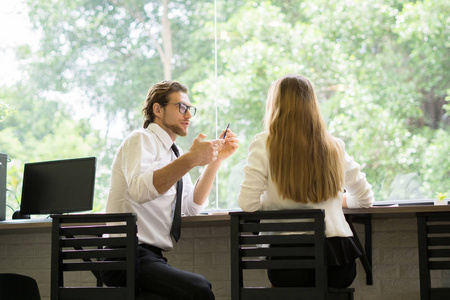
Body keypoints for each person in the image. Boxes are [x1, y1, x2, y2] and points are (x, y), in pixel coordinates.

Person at [102, 80, 239, 299]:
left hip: (149, 257)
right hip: (124, 257)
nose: (188, 115)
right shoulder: (141, 140)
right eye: (181, 107)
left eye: (189, 109)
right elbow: (140, 190)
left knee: (197, 288)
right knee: (199, 289)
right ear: (158, 109)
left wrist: (215, 161)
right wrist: (191, 159)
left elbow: (190, 208)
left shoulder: (175, 154)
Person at [238, 74, 374, 288]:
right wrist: (333, 200)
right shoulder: (334, 146)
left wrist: (277, 201)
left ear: (275, 104)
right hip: (339, 264)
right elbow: (365, 199)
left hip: (289, 265)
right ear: (313, 104)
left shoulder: (264, 142)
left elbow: (248, 204)